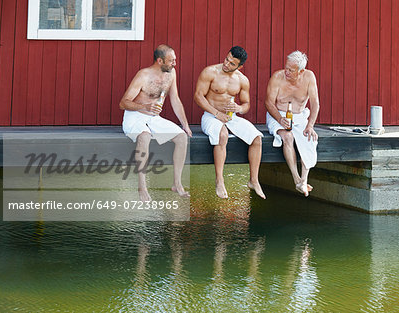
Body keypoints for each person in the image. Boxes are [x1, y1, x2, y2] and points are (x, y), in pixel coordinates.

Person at [120, 44, 192, 201]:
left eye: (175, 60)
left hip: (153, 118)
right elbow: (123, 103)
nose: (175, 63)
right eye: (171, 60)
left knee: (181, 138)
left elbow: (175, 99)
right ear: (160, 60)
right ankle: (142, 187)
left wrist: (184, 124)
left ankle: (177, 184)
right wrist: (145, 106)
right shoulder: (143, 75)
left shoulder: (171, 74)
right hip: (134, 115)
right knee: (144, 136)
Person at [194, 46, 265, 199]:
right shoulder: (210, 72)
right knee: (222, 135)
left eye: (232, 63)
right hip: (210, 115)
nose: (227, 64)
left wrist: (239, 108)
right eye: (227, 59)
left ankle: (253, 180)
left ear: (240, 66)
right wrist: (217, 113)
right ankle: (219, 180)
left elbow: (246, 105)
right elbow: (198, 96)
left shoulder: (242, 80)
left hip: (231, 117)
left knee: (257, 138)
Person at [265, 50, 319, 197]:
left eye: (291, 70)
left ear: (301, 71)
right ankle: (296, 179)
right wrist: (279, 118)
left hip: (300, 116)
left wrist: (310, 125)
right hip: (278, 114)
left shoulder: (309, 77)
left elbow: (315, 104)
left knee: (310, 138)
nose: (286, 72)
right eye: (286, 67)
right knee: (288, 137)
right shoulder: (277, 77)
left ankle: (304, 180)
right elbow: (269, 103)